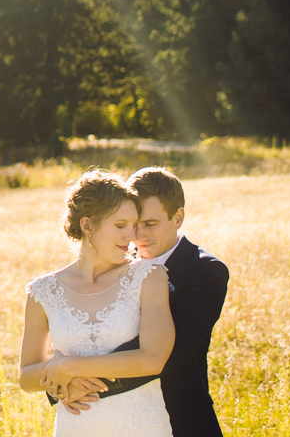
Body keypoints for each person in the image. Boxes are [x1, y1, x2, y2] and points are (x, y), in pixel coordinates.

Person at [57, 167, 231, 437]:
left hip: (181, 418)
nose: (138, 236)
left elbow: (169, 353)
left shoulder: (205, 271)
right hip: (111, 418)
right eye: (131, 224)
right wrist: (58, 379)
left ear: (178, 217)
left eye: (150, 224)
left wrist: (77, 381)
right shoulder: (112, 264)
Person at [19, 169, 175, 434]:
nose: (132, 235)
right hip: (77, 426)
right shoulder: (43, 291)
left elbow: (153, 359)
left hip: (141, 425)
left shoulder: (148, 276)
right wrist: (62, 384)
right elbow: (26, 377)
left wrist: (69, 367)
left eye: (134, 225)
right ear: (88, 225)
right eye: (120, 225)